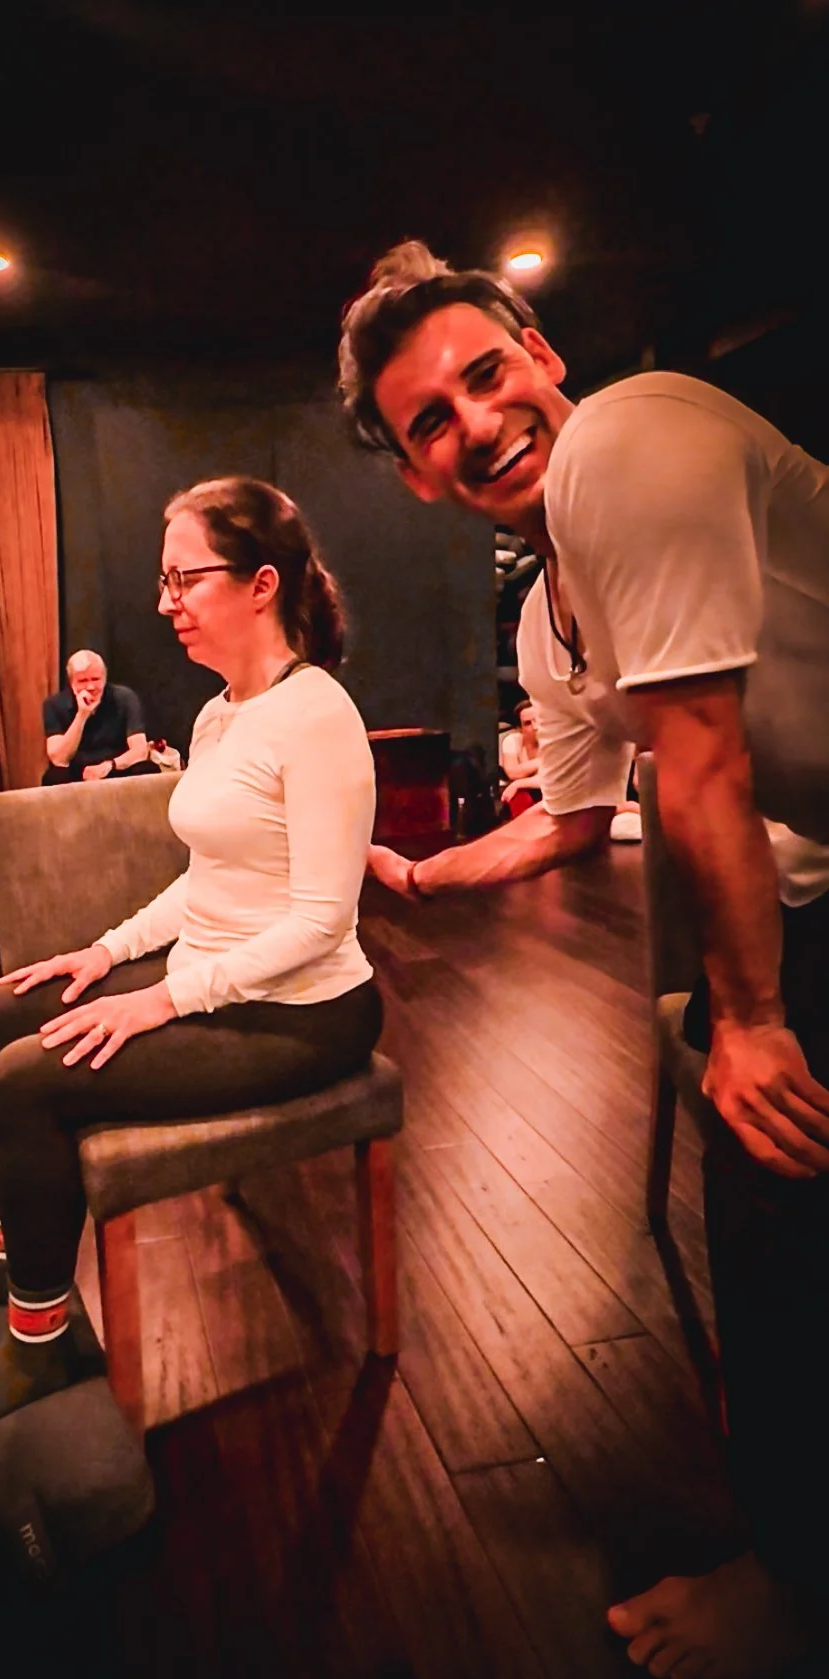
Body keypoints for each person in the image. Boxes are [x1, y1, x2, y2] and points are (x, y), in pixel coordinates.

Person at [338, 242, 829, 1678]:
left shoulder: (629, 435)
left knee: (766, 1162)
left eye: (484, 374)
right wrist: (420, 870)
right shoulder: (554, 618)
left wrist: (750, 1018)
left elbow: (704, 752)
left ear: (542, 353)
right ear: (420, 477)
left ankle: (791, 1585)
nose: (476, 422)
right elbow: (567, 820)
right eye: (432, 420)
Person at [0, 477, 382, 1436]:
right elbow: (207, 877)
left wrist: (160, 1000)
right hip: (224, 980)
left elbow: (322, 920)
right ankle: (3, 1255)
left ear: (260, 583)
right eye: (164, 582)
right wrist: (105, 950)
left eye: (184, 579)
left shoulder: (317, 715)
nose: (166, 603)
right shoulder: (218, 713)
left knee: (30, 1081)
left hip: (307, 1011)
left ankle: (42, 1343)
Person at [42, 650, 157, 783]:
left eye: (95, 679)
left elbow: (140, 750)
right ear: (72, 682)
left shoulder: (124, 698)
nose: (90, 687)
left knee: (147, 769)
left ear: (104, 678)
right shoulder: (54, 704)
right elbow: (59, 759)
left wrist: (110, 765)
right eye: (82, 681)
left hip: (115, 766)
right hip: (77, 771)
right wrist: (82, 715)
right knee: (54, 777)